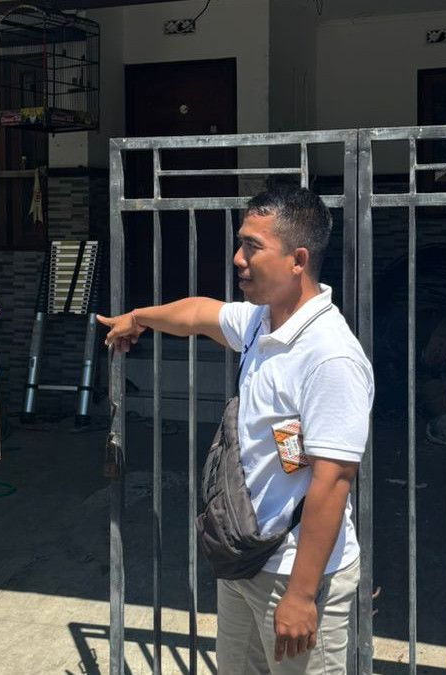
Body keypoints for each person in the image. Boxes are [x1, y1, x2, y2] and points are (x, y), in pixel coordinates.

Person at [98, 187, 373, 674]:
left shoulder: (330, 356)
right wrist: (139, 318)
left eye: (252, 246)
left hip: (297, 575)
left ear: (298, 259)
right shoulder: (261, 324)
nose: (237, 259)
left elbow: (332, 481)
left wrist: (302, 595)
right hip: (247, 560)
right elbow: (200, 313)